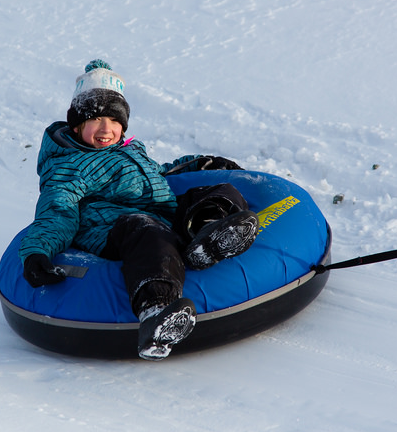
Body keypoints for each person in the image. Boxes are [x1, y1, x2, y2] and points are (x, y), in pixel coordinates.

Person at [19, 59, 259, 360]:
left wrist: (201, 163)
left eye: (115, 121)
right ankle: (155, 311)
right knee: (147, 230)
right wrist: (37, 252)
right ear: (78, 125)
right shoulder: (68, 165)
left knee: (220, 191)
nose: (106, 129)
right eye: (96, 120)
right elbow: (57, 210)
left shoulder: (130, 149)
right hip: (115, 229)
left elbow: (158, 173)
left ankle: (207, 237)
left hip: (160, 215)